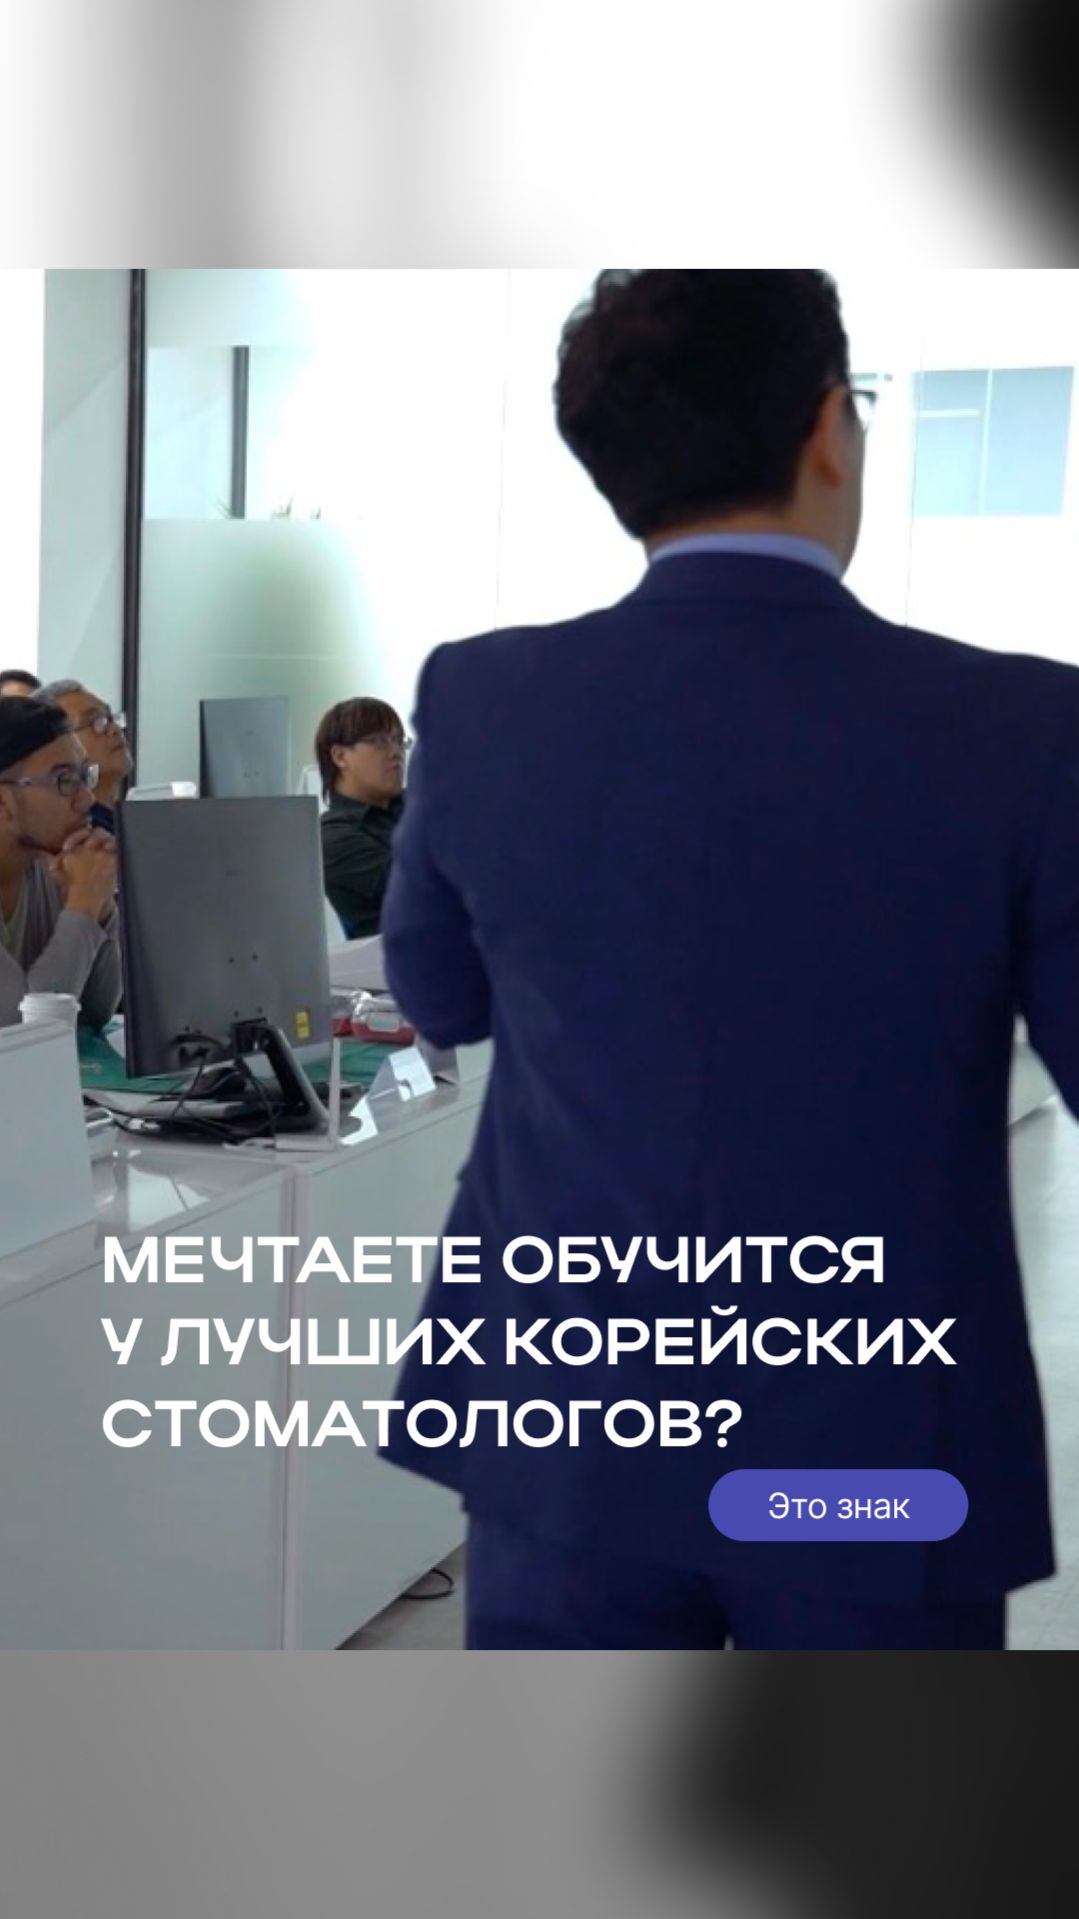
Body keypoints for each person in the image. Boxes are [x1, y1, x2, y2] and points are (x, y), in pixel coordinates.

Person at [379, 269, 1079, 1650]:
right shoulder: (1016, 727)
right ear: (827, 428)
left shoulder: (485, 694)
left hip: (567, 1426)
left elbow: (439, 995)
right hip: (863, 1450)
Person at [0, 697, 121, 1029]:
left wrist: (100, 904)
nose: (87, 798)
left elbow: (95, 1012)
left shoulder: (53, 867)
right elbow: (24, 1033)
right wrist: (83, 907)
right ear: (3, 802)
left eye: (84, 776)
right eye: (65, 781)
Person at [315, 697, 409, 939]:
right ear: (340, 756)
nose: (396, 752)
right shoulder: (331, 836)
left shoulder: (419, 803)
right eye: (379, 741)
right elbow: (422, 888)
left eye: (399, 740)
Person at [34, 680, 133, 833]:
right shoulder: (73, 835)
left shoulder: (132, 822)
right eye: (96, 722)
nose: (114, 729)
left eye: (110, 718)